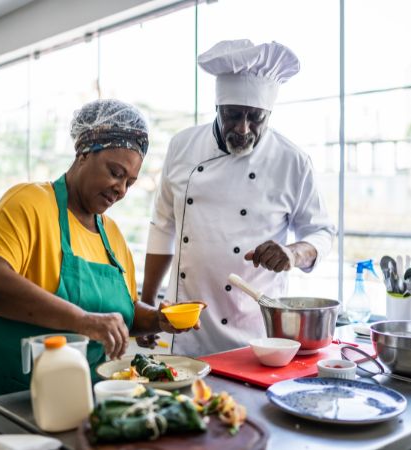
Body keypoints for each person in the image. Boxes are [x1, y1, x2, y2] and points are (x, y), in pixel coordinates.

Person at [0, 99, 198, 400]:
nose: (121, 189)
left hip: (68, 387)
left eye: (130, 182)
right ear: (84, 152)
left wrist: (157, 319)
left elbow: (121, 314)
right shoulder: (29, 203)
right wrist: (83, 321)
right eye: (115, 172)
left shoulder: (113, 236)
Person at [138, 39, 336, 357]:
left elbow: (322, 233)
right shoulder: (182, 146)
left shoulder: (292, 160)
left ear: (269, 113)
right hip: (187, 326)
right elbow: (163, 227)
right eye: (232, 115)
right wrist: (146, 307)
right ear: (217, 108)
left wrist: (294, 252)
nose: (243, 129)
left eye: (255, 118)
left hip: (257, 330)